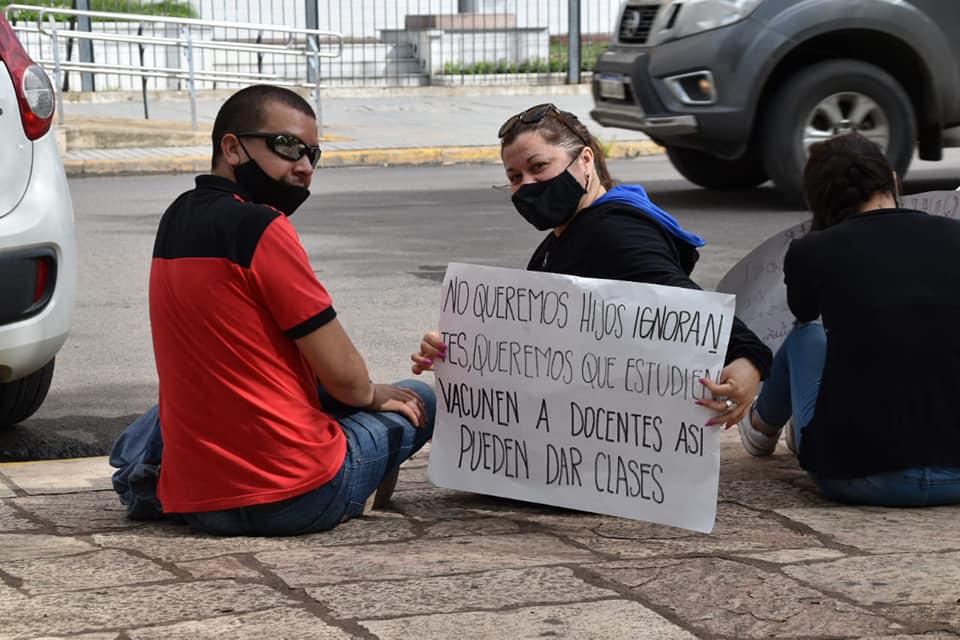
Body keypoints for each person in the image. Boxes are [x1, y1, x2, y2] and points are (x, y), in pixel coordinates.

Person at [110, 85, 435, 536]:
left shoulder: (176, 217)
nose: (303, 167)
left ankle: (148, 476)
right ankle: (356, 489)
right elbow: (345, 378)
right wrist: (371, 394)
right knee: (422, 398)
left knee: (200, 388)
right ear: (232, 147)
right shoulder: (262, 226)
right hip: (296, 497)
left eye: (313, 155)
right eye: (287, 147)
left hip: (199, 503)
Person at [411, 103, 772, 426]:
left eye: (539, 167)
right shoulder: (567, 235)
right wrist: (456, 346)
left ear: (584, 160)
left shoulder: (614, 232)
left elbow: (684, 303)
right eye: (515, 178)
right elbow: (536, 335)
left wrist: (748, 358)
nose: (527, 185)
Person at [737, 132, 960, 506]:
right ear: (891, 178)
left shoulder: (812, 250)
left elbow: (804, 313)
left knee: (806, 333)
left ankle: (761, 428)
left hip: (858, 475)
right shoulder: (955, 236)